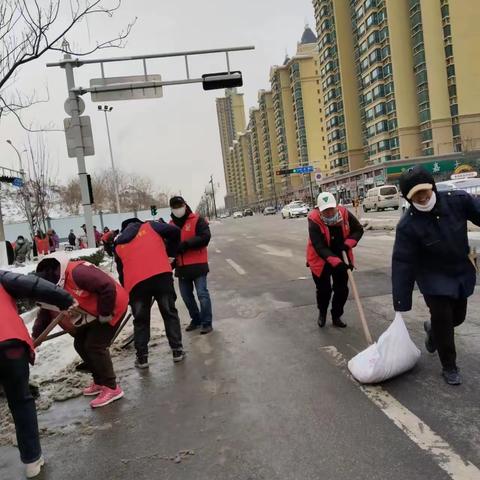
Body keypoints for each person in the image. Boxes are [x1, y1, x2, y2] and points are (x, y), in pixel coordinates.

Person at [392, 166, 480, 386]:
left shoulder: (457, 200)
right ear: (408, 197)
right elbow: (403, 262)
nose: (422, 197)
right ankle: (449, 366)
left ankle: (432, 329)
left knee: (457, 317)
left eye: (425, 191)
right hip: (432, 278)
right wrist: (401, 299)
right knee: (443, 320)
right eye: (415, 195)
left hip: (460, 271)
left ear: (432, 186)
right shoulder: (408, 225)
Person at [0, 269, 73, 478]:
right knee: (21, 401)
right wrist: (65, 298)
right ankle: (32, 460)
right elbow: (32, 285)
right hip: (9, 345)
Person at [34, 252, 129, 407]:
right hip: (91, 313)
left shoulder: (77, 272)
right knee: (80, 343)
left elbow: (107, 286)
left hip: (112, 306)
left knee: (95, 346)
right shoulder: (50, 285)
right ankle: (99, 381)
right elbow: (44, 313)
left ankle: (112, 387)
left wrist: (105, 313)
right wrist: (34, 338)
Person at [114, 217, 184, 368]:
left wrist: (129, 293)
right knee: (169, 313)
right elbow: (175, 232)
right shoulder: (150, 226)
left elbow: (121, 273)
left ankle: (142, 358)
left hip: (136, 285)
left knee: (141, 321)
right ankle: (177, 351)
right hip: (161, 277)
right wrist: (170, 254)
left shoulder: (118, 244)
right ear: (139, 223)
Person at [306, 192, 364, 328]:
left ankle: (336, 315)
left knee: (342, 289)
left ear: (336, 206)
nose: (330, 213)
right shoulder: (314, 219)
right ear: (319, 210)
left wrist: (348, 243)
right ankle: (322, 312)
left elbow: (358, 230)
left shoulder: (344, 213)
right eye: (325, 210)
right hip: (320, 259)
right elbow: (319, 246)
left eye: (331, 209)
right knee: (324, 290)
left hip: (341, 253)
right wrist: (335, 262)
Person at [169, 196, 214, 334]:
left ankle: (207, 322)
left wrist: (187, 244)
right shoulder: (170, 225)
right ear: (172, 209)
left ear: (185, 205)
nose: (178, 209)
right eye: (175, 207)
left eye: (180, 206)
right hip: (182, 268)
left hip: (198, 265)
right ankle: (196, 319)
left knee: (202, 294)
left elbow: (205, 237)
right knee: (186, 297)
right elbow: (169, 245)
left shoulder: (197, 220)